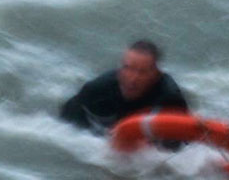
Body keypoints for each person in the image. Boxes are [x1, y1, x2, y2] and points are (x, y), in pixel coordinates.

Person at [60, 40, 189, 136]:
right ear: (120, 68)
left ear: (156, 74)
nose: (133, 78)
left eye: (142, 72)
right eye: (128, 68)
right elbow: (65, 124)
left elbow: (184, 142)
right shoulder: (96, 90)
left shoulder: (170, 98)